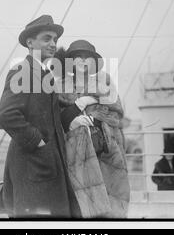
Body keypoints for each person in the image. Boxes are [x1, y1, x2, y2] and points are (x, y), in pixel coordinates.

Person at [0, 15, 81, 218]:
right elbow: (6, 114)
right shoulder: (22, 71)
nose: (53, 44)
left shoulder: (42, 74)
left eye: (55, 40)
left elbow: (41, 104)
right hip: (33, 163)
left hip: (45, 163)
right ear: (30, 43)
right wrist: (38, 141)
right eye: (47, 38)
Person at [55, 40, 130, 218]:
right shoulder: (59, 86)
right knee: (82, 204)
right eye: (77, 58)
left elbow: (117, 114)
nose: (82, 61)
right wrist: (74, 118)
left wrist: (95, 113)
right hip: (76, 152)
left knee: (111, 202)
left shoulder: (104, 83)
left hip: (106, 149)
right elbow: (56, 119)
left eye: (87, 58)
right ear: (70, 62)